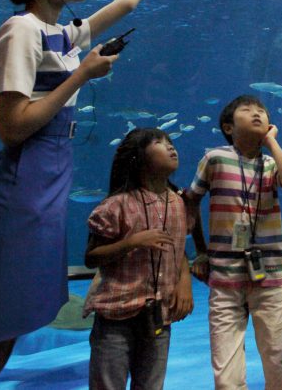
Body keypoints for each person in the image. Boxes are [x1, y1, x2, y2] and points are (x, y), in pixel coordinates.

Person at [0, 0, 190, 389]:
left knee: (6, 331)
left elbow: (125, 4)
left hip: (46, 186)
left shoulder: (61, 33)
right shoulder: (21, 30)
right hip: (22, 189)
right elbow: (12, 126)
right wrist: (80, 77)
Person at [184, 95, 282, 390]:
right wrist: (200, 251)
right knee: (227, 375)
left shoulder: (272, 164)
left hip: (270, 278)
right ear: (228, 127)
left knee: (281, 366)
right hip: (224, 279)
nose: (257, 114)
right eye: (247, 110)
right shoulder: (214, 159)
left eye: (262, 112)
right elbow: (191, 202)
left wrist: (272, 143)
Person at [84, 128, 194, 390]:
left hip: (159, 315)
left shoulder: (179, 203)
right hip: (116, 316)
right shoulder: (116, 205)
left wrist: (184, 281)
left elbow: (177, 249)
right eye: (158, 142)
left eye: (170, 141)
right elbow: (91, 257)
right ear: (137, 157)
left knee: (151, 385)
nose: (170, 147)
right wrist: (132, 242)